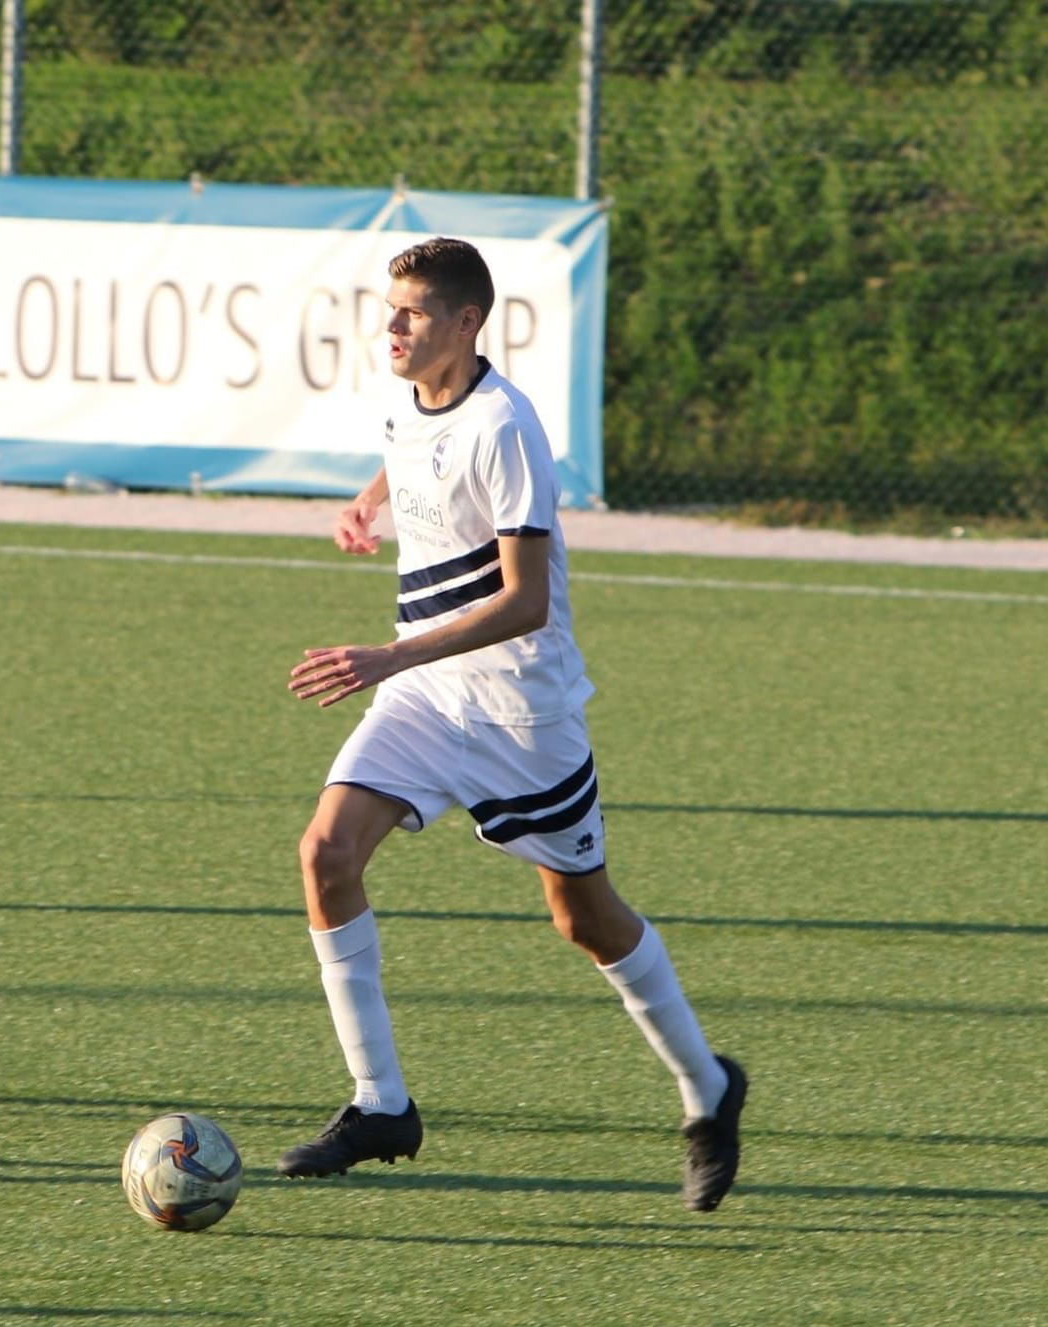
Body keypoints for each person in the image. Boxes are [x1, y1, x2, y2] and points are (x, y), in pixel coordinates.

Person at [277, 237, 747, 1212]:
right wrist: (368, 503)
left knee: (584, 919)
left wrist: (386, 655)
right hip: (424, 698)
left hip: (517, 712)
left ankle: (705, 1087)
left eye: (410, 314)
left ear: (464, 323)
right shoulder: (401, 395)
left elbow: (525, 601)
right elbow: (407, 452)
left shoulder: (506, 426)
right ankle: (380, 1105)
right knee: (325, 853)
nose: (391, 328)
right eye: (388, 310)